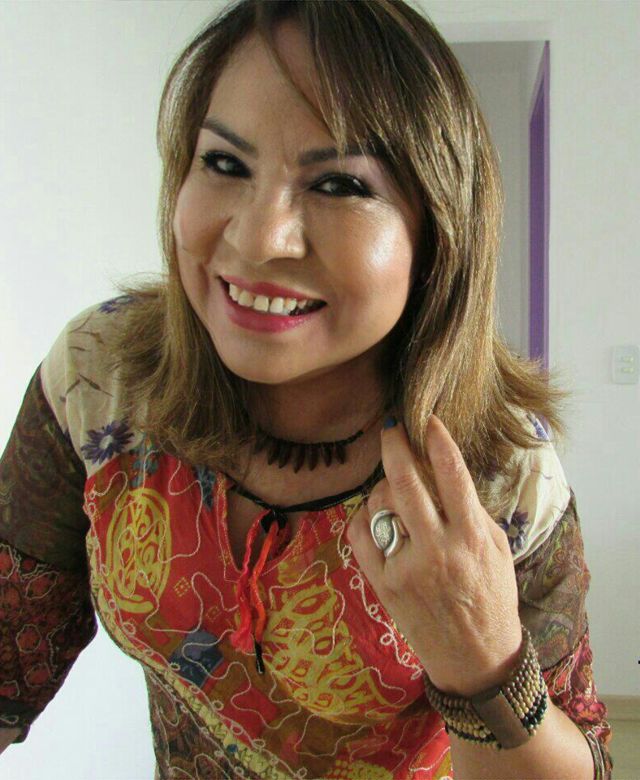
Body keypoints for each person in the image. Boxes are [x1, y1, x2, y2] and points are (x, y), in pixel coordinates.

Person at [0, 1, 612, 777]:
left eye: (339, 183)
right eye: (225, 164)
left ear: (437, 232)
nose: (258, 239)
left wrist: (482, 665)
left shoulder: (500, 471)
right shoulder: (102, 379)